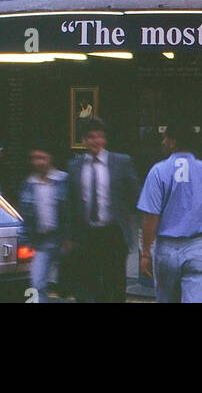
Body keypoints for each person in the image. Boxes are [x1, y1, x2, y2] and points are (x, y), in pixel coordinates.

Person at [138, 119, 202, 304]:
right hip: (197, 245)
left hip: (166, 248)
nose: (163, 142)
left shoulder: (158, 171)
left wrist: (146, 252)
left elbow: (151, 216)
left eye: (165, 138)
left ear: (172, 142)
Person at [67, 118, 139, 303]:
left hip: (114, 232)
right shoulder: (74, 166)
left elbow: (134, 193)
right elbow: (71, 202)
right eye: (91, 137)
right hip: (87, 233)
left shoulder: (121, 162)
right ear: (83, 141)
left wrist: (126, 217)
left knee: (115, 281)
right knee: (91, 281)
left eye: (99, 136)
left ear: (105, 139)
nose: (96, 141)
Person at [18, 144, 70, 304]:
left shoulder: (63, 180)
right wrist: (26, 241)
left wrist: (71, 238)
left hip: (63, 240)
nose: (38, 162)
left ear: (50, 158)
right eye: (34, 158)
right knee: (37, 283)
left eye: (42, 158)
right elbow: (25, 217)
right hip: (41, 241)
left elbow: (72, 211)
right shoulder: (28, 184)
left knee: (71, 285)